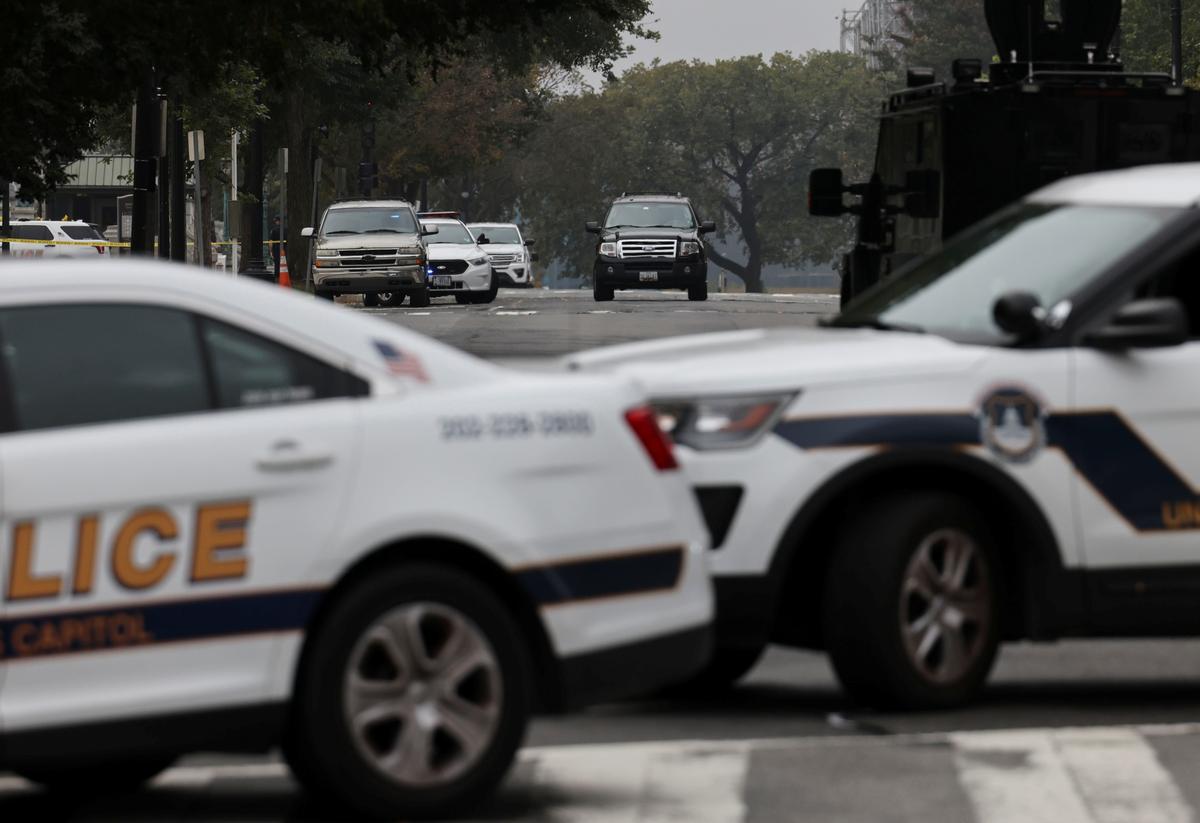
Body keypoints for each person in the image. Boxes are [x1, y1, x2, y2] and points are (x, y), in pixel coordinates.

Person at [269, 216, 282, 282]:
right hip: (284, 248)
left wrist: (270, 251)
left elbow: (271, 242)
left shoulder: (273, 230)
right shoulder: (285, 229)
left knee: (277, 263)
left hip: (276, 248)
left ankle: (277, 276)